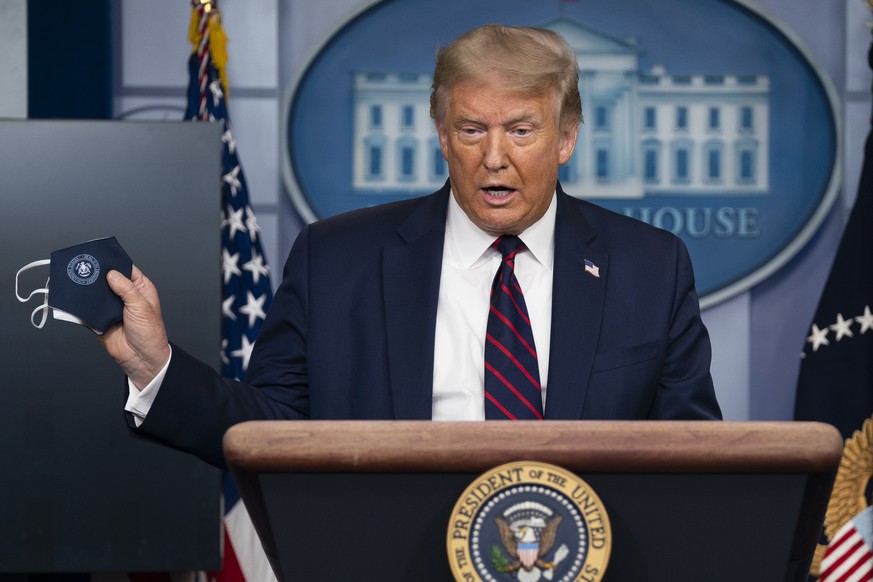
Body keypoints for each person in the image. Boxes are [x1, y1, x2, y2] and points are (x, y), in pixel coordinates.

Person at [102, 24, 721, 470]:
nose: (494, 157)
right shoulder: (337, 259)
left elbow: (691, 455)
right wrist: (156, 369)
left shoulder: (649, 266)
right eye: (471, 129)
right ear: (442, 136)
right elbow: (271, 433)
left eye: (522, 130)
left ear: (566, 139)